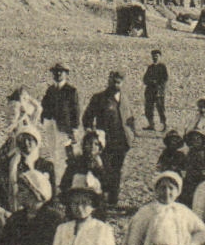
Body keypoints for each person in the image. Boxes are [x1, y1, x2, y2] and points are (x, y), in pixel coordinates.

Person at [82, 71, 135, 206]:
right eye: (113, 81)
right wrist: (91, 134)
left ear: (122, 83)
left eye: (118, 82)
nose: (115, 85)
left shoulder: (124, 99)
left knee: (117, 171)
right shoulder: (99, 98)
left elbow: (130, 118)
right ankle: (101, 199)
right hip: (105, 142)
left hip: (121, 142)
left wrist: (131, 135)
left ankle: (113, 199)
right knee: (104, 169)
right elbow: (87, 117)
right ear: (108, 81)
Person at [40, 63, 80, 176]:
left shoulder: (71, 91)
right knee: (52, 151)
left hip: (64, 127)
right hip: (50, 125)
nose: (58, 74)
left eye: (60, 72)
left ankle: (62, 178)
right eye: (55, 71)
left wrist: (74, 129)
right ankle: (55, 177)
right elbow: (44, 105)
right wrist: (44, 119)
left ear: (66, 74)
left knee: (63, 153)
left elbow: (75, 111)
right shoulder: (50, 90)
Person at [142, 49, 168, 132]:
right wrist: (150, 82)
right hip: (149, 91)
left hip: (158, 92)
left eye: (156, 56)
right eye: (153, 56)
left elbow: (165, 79)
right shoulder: (150, 67)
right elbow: (145, 79)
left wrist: (157, 83)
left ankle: (164, 125)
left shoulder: (162, 67)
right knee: (148, 108)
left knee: (160, 109)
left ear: (160, 57)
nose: (155, 58)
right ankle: (151, 124)